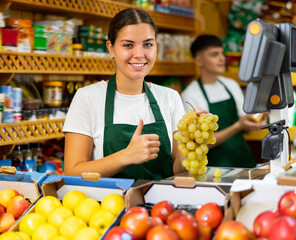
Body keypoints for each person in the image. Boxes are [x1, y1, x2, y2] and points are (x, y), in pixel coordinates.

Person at [63, 8, 193, 180]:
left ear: (156, 47)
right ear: (111, 48)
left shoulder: (170, 98)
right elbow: (72, 171)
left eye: (147, 44)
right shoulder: (88, 97)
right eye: (128, 45)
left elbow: (179, 171)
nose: (139, 55)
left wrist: (191, 147)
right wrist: (126, 156)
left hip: (160, 205)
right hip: (108, 204)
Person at [181, 34, 266, 168]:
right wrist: (238, 126)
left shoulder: (231, 85)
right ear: (199, 60)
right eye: (214, 54)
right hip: (215, 167)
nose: (222, 59)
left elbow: (245, 127)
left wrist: (255, 120)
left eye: (222, 53)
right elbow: (202, 143)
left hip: (243, 159)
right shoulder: (190, 95)